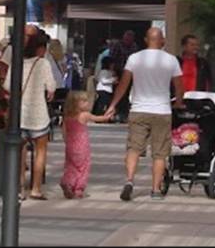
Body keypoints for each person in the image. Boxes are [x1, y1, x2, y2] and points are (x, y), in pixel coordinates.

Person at [100, 27, 184, 202]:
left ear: (146, 40)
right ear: (163, 41)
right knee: (160, 153)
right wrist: (178, 102)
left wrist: (113, 105)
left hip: (138, 110)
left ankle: (130, 180)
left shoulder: (134, 58)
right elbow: (179, 86)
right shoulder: (171, 60)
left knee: (134, 148)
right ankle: (155, 190)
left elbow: (124, 84)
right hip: (162, 111)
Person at [18, 32, 56, 201]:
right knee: (41, 152)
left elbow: (6, 85)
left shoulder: (18, 63)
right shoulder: (43, 64)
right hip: (39, 115)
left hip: (20, 115)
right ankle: (36, 188)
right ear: (41, 49)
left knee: (20, 152)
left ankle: (19, 188)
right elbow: (52, 86)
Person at [60, 91, 102, 199]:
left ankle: (67, 181)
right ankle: (78, 188)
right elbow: (98, 119)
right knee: (83, 167)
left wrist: (66, 142)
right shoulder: (84, 115)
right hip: (82, 146)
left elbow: (64, 132)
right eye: (84, 101)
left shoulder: (67, 117)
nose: (87, 103)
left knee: (70, 166)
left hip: (70, 146)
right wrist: (108, 115)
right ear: (75, 103)